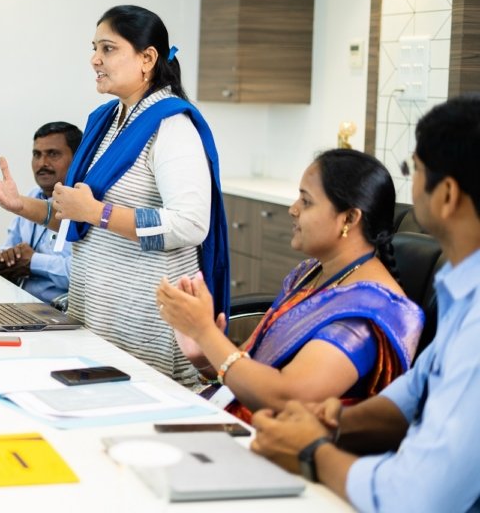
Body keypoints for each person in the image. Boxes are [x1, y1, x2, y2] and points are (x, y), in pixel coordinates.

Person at [249, 95, 480, 512]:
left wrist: (313, 451)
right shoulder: (463, 289)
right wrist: (331, 423)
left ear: (446, 195)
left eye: (415, 169)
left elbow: (412, 497)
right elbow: (409, 398)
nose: (293, 209)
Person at [0, 5, 229, 386]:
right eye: (94, 48)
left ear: (147, 58)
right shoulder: (106, 120)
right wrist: (21, 206)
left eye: (108, 49)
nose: (94, 59)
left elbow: (191, 225)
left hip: (145, 323)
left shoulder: (172, 127)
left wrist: (98, 212)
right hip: (97, 312)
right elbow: (77, 214)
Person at [156, 149, 423, 422]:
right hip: (236, 415)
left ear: (349, 218)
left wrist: (205, 332)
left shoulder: (367, 313)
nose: (292, 209)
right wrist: (202, 353)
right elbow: (249, 365)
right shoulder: (312, 273)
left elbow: (284, 396)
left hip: (277, 445)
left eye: (306, 201)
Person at [0, 121, 81, 303]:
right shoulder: (32, 196)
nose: (43, 163)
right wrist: (8, 257)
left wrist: (33, 262)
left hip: (60, 314)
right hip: (19, 304)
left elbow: (82, 275)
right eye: (37, 155)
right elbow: (7, 248)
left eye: (53, 154)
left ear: (77, 158)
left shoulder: (85, 205)